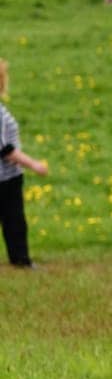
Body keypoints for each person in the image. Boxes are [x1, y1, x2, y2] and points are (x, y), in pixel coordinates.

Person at [0, 59, 50, 269]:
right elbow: (5, 150)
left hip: (7, 176)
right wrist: (34, 164)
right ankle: (20, 260)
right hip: (5, 177)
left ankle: (20, 258)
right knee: (14, 221)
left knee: (14, 221)